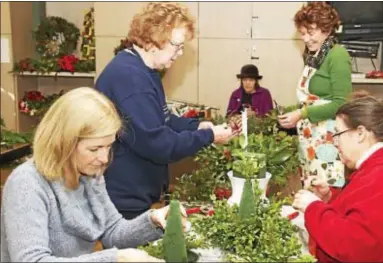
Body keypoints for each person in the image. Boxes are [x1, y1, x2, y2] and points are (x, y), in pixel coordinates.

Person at [0, 87, 187, 262]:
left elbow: (113, 232)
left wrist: (153, 220)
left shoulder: (89, 173)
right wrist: (114, 259)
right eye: (95, 148)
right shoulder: (27, 184)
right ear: (63, 143)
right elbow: (32, 260)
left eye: (108, 146)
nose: (104, 158)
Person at [95, 3, 236, 219]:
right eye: (177, 45)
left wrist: (197, 125)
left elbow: (162, 118)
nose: (180, 53)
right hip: (124, 197)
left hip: (137, 192)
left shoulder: (145, 71)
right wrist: (209, 136)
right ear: (154, 39)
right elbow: (158, 143)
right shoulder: (131, 79)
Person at [292, 92, 383, 262]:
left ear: (361, 133)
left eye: (338, 133)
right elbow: (364, 212)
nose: (335, 142)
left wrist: (313, 207)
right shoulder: (379, 167)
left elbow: (356, 250)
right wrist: (329, 198)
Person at [278, 2, 352, 188]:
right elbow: (313, 98)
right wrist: (293, 112)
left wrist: (301, 114)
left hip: (328, 138)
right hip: (310, 136)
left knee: (325, 188)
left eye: (311, 33)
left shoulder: (337, 55)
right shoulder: (315, 56)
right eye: (303, 33)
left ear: (327, 29)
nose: (306, 39)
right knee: (311, 186)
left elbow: (341, 103)